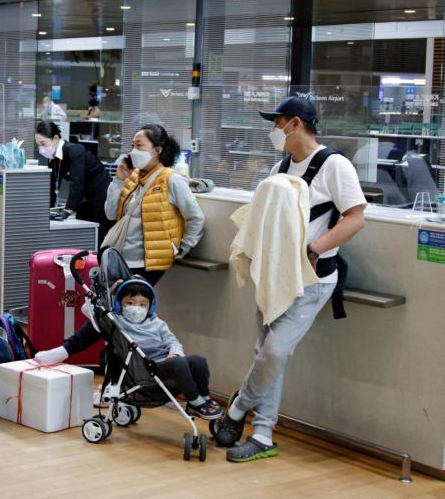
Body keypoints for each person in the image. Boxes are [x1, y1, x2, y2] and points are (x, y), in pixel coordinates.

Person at [213, 96, 367, 463]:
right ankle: (263, 434)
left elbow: (355, 218)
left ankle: (237, 408)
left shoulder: (334, 165)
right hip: (274, 276)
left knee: (275, 352)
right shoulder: (280, 167)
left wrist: (316, 248)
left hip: (313, 279)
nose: (274, 130)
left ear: (295, 123)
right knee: (267, 355)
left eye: (277, 123)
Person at [34, 279, 222, 420]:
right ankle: (195, 401)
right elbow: (88, 310)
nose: (136, 308)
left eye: (142, 304)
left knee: (198, 361)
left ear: (150, 307)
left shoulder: (157, 323)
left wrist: (175, 352)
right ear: (120, 304)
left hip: (167, 361)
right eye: (130, 303)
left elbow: (173, 341)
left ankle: (203, 398)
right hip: (146, 367)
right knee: (179, 364)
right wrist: (111, 291)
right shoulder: (118, 321)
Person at [104, 124, 205, 284]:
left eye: (139, 145)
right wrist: (118, 180)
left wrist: (183, 247)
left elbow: (196, 217)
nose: (133, 151)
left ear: (157, 150)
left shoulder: (171, 179)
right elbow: (110, 214)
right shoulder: (131, 176)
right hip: (121, 257)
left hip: (148, 264)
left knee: (133, 299)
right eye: (132, 145)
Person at [35, 120, 112, 241]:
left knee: (98, 236)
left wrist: (68, 209)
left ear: (55, 138)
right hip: (85, 198)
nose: (41, 149)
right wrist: (47, 209)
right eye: (38, 145)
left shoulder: (75, 150)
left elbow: (77, 181)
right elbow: (52, 184)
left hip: (101, 196)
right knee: (83, 236)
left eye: (43, 144)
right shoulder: (55, 158)